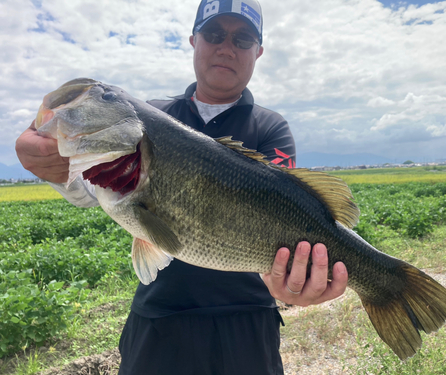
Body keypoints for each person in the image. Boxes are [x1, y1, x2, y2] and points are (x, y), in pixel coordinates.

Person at [16, 1, 348, 374]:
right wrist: (54, 167)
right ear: (194, 41)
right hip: (158, 318)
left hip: (247, 321)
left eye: (242, 38)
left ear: (258, 51)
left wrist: (287, 283)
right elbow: (91, 193)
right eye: (214, 34)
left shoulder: (270, 127)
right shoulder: (152, 115)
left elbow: (292, 215)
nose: (226, 47)